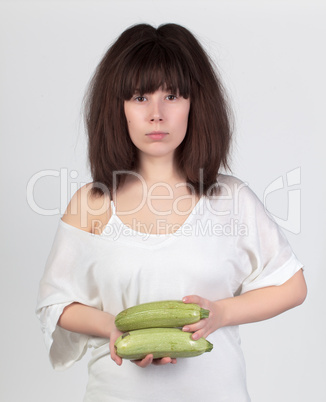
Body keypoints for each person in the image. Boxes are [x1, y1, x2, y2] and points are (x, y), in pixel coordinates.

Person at [35, 23, 307, 402]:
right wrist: (113, 327)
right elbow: (55, 303)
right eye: (139, 97)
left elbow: (292, 286)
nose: (157, 114)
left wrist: (221, 314)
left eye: (173, 96)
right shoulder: (92, 203)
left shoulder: (231, 199)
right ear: (118, 109)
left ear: (196, 104)